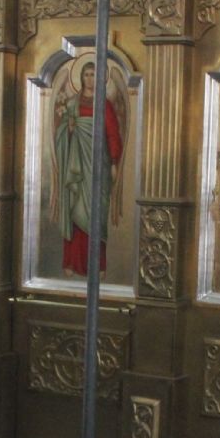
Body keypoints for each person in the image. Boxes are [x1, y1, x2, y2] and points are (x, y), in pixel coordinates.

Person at [53, 60, 124, 277]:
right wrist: (69, 129)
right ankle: (71, 262)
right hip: (75, 168)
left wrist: (114, 162)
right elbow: (60, 134)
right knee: (74, 212)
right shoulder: (72, 104)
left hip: (98, 167)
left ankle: (98, 265)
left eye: (94, 75)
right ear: (81, 78)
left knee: (96, 215)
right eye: (87, 75)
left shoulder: (104, 105)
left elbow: (113, 134)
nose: (90, 79)